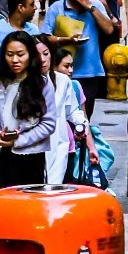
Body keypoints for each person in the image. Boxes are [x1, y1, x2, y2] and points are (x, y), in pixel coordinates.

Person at [0, 31, 57, 193]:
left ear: (30, 55)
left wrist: (19, 140)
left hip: (30, 157)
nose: (15, 60)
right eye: (10, 54)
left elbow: (49, 123)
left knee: (26, 209)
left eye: (20, 54)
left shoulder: (42, 84)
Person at [46, 0, 117, 113]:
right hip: (61, 71)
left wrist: (89, 7)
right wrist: (66, 40)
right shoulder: (56, 8)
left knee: (85, 116)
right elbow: (45, 37)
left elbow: (109, 30)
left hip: (89, 72)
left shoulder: (95, 5)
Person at [41, 36, 89, 185]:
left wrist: (81, 123)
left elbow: (72, 110)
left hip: (58, 145)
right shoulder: (22, 82)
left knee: (53, 190)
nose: (42, 59)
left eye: (46, 53)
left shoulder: (63, 82)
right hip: (29, 149)